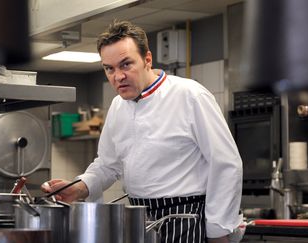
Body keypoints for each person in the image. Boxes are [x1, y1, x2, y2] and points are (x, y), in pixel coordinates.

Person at [42, 21, 243, 243]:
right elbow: (108, 165)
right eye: (109, 68)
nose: (117, 76)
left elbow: (226, 163)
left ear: (147, 59)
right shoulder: (118, 106)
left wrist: (217, 231)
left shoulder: (190, 96)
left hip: (187, 219)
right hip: (140, 220)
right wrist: (79, 188)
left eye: (126, 64)